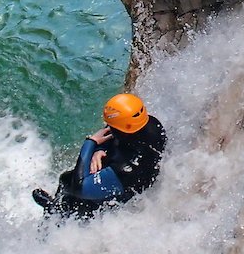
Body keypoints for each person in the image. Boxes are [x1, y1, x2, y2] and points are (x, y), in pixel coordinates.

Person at [32, 93, 167, 220]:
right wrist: (100, 149)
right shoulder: (151, 124)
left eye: (112, 127)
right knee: (94, 167)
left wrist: (91, 143)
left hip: (119, 192)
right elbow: (113, 132)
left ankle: (54, 213)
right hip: (132, 173)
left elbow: (78, 186)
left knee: (67, 180)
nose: (109, 128)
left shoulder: (125, 167)